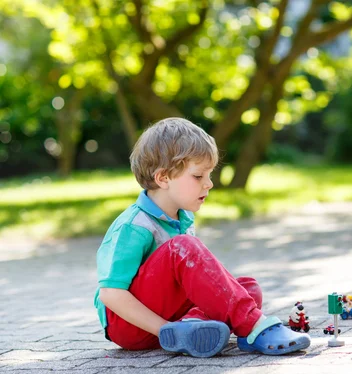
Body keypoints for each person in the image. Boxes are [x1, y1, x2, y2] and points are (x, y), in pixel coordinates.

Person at [94, 117, 310, 357]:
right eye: (198, 176)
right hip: (131, 326)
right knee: (184, 249)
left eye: (209, 175)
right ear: (163, 178)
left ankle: (194, 328)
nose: (209, 184)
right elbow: (110, 293)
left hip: (171, 314)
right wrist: (167, 330)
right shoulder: (134, 226)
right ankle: (253, 327)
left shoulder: (182, 218)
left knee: (248, 289)